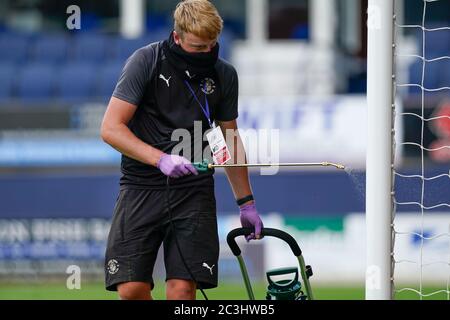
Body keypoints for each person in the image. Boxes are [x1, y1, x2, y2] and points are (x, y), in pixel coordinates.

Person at [100, 0, 263, 300]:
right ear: (177, 37)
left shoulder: (225, 75)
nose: (206, 53)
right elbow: (110, 129)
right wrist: (160, 159)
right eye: (198, 47)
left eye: (212, 46)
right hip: (140, 187)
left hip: (193, 192)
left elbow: (231, 140)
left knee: (182, 292)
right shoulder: (145, 61)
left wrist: (247, 203)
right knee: (131, 289)